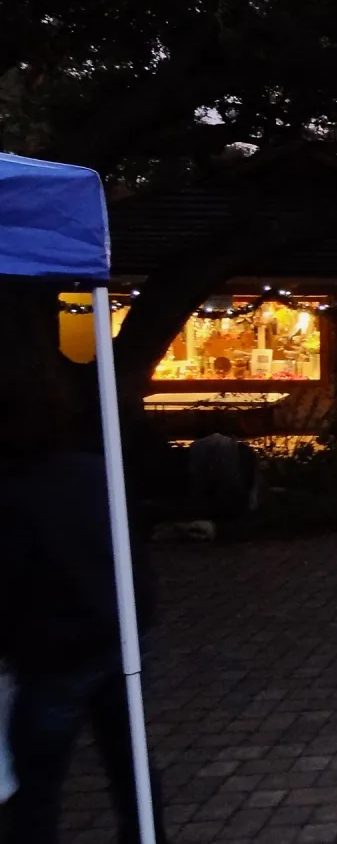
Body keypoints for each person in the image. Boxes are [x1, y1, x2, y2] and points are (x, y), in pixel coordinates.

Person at [0, 359, 171, 844]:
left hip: (55, 653)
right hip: (118, 635)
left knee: (38, 787)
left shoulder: (14, 491)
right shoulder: (94, 472)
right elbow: (131, 552)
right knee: (130, 762)